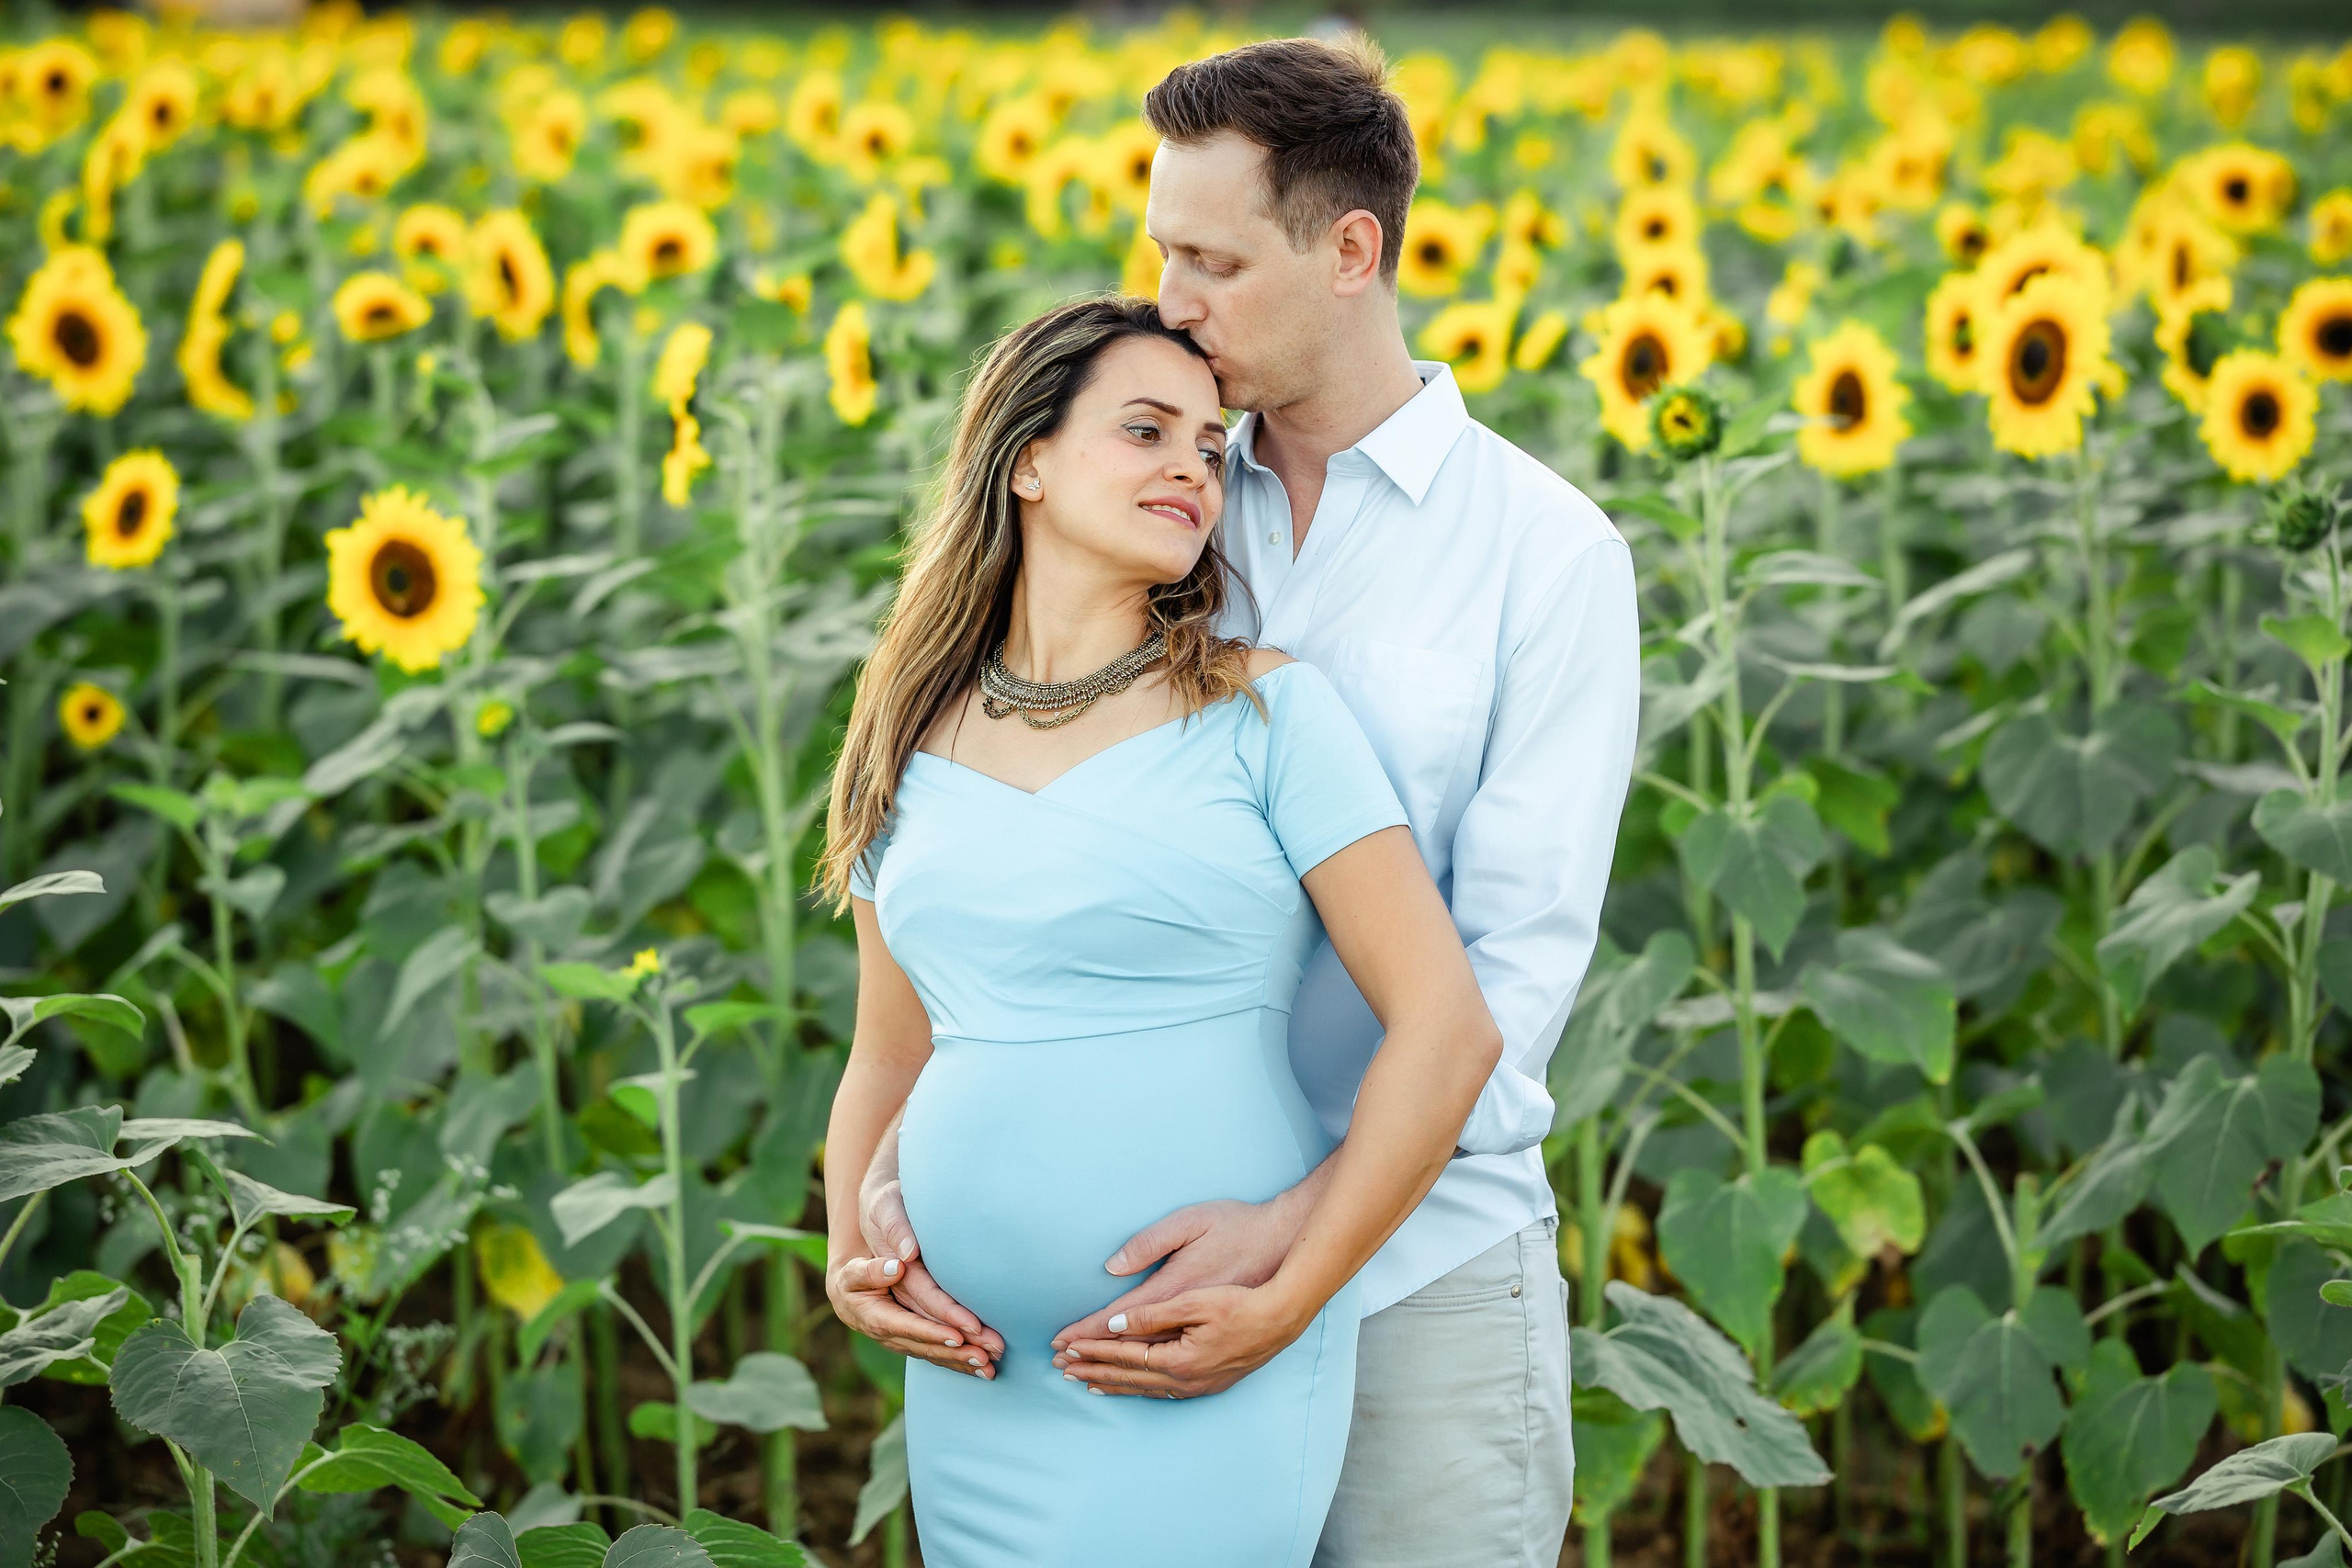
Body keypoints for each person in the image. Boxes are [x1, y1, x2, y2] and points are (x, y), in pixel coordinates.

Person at [857, 35, 1642, 1568]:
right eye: (1159, 249)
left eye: (1210, 259)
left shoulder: (1546, 556)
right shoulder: (1155, 499)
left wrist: (1299, 1239)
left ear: (1352, 251)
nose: (1170, 299)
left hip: (1422, 1282)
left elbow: (1504, 991)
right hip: (1109, 1316)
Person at [817, 295, 1507, 1567]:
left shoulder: (1269, 716)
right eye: (1146, 431)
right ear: (1026, 459)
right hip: (974, 1383)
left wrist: (1292, 1299)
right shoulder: (906, 734)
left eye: (1207, 443)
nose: (1192, 468)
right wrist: (850, 1256)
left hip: (1210, 1355)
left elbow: (1448, 1031)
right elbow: (888, 1054)